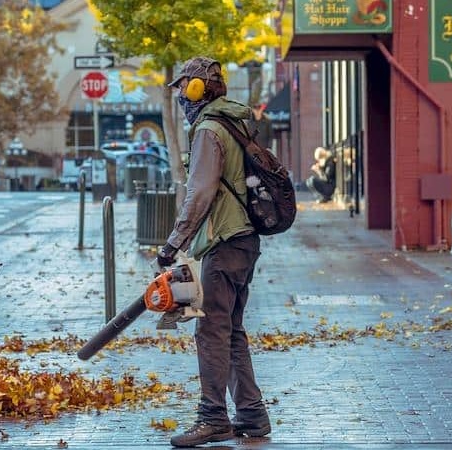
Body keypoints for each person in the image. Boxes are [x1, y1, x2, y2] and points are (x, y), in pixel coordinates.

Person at [156, 56, 271, 447]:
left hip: (226, 241)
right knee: (231, 329)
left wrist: (174, 242)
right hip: (245, 240)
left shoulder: (209, 129)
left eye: (183, 89)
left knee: (211, 330)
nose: (181, 100)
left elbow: (200, 192)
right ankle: (252, 416)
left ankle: (213, 418)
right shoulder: (233, 121)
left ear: (196, 88)